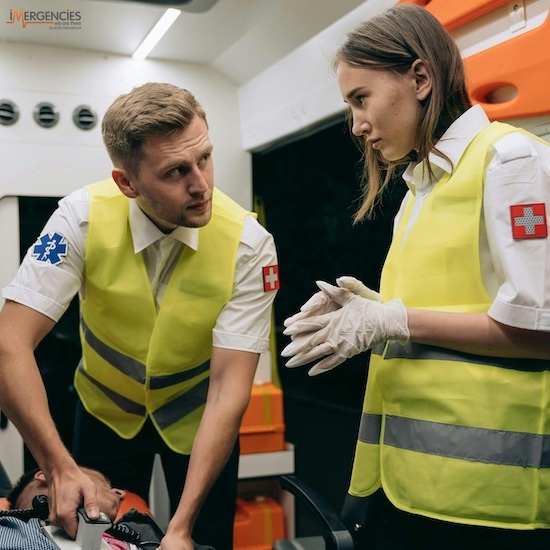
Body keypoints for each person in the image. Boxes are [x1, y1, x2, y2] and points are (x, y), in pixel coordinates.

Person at [281, 4, 550, 549]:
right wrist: (370, 311)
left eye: (361, 99)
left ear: (421, 79)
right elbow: (452, 306)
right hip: (409, 483)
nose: (356, 124)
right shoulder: (418, 191)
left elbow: (540, 326)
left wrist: (392, 319)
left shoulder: (510, 160)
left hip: (486, 495)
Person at [0, 82, 279, 550]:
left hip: (200, 419)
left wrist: (181, 528)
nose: (202, 185)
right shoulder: (79, 218)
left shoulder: (250, 246)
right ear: (127, 183)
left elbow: (228, 391)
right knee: (91, 538)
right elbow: (9, 343)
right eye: (176, 171)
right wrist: (59, 467)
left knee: (202, 542)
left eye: (205, 158)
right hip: (104, 414)